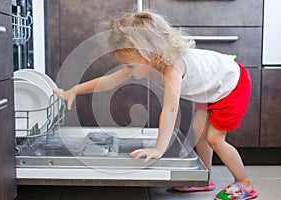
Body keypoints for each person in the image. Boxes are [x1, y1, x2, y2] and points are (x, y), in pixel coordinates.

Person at [53, 10, 258, 200]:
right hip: (211, 88)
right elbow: (108, 81)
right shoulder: (149, 60)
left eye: (130, 65)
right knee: (198, 132)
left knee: (215, 139)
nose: (126, 70)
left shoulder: (172, 67)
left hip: (231, 85)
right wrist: (73, 90)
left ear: (151, 54)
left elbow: (170, 109)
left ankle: (244, 183)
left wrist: (159, 149)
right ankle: (204, 179)